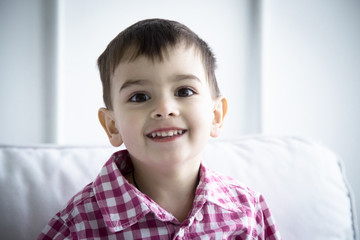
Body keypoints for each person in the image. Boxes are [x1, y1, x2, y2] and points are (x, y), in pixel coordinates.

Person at [38, 18, 281, 239]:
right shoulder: (79, 224)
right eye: (140, 96)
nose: (164, 109)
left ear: (216, 115)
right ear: (112, 125)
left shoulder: (247, 209)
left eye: (184, 91)